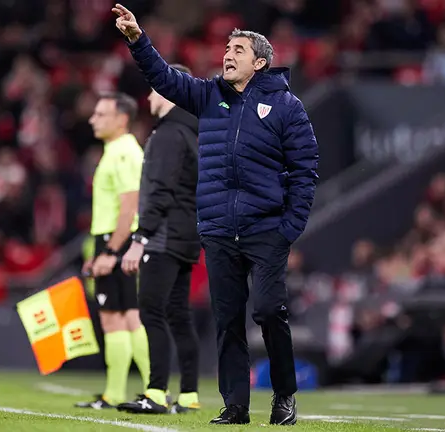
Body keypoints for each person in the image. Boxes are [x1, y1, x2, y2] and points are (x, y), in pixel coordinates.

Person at [112, 4, 319, 426]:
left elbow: (305, 170)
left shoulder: (286, 106)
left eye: (238, 50)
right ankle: (236, 405)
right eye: (227, 48)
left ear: (259, 63)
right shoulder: (209, 96)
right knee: (228, 320)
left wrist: (289, 227)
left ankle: (284, 394)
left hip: (266, 229)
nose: (228, 54)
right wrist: (138, 40)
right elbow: (164, 78)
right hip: (220, 229)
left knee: (268, 310)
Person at [116, 64, 202, 415]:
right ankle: (189, 395)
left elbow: (160, 192)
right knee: (178, 314)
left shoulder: (168, 134)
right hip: (186, 235)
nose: (150, 95)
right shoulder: (191, 132)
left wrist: (140, 239)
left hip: (163, 237)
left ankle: (155, 392)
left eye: (155, 88)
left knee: (152, 311)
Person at [76, 92, 151, 409]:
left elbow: (129, 206)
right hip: (114, 239)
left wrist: (109, 251)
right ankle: (145, 391)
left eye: (100, 114)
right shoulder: (119, 150)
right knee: (125, 316)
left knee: (118, 318)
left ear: (121, 119)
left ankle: (137, 391)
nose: (93, 119)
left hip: (117, 239)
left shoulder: (122, 153)